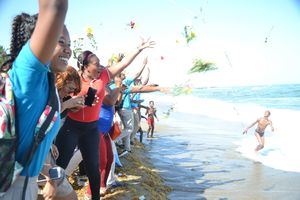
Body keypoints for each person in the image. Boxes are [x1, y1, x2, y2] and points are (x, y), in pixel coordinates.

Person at [55, 38, 155, 200]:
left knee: (94, 167)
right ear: (85, 66)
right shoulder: (73, 76)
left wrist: (139, 48)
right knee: (60, 166)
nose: (100, 65)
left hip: (91, 129)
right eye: (96, 63)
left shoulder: (103, 76)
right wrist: (71, 104)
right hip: (71, 127)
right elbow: (58, 97)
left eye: (100, 62)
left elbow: (123, 64)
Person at [0, 0, 69, 199]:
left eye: (69, 44)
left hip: (25, 187)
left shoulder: (47, 84)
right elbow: (55, 6)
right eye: (60, 41)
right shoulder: (27, 73)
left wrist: (51, 177)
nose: (67, 50)